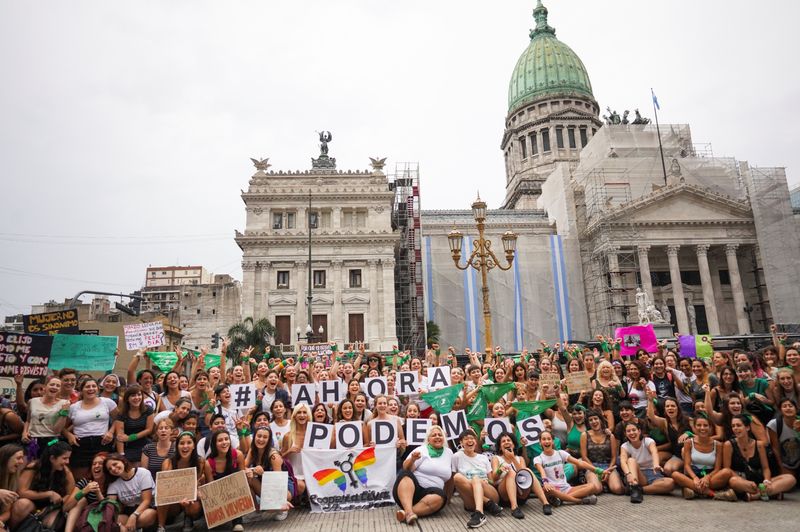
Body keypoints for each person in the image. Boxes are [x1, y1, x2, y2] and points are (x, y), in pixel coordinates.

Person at [722, 414, 796, 500]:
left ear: (747, 428)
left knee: (790, 478)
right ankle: (770, 493)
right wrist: (745, 481)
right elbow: (727, 470)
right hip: (743, 481)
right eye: (733, 426)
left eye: (738, 425)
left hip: (760, 480)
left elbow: (765, 468)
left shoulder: (759, 444)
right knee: (733, 481)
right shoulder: (728, 445)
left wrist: (767, 481)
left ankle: (756, 495)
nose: (735, 428)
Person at [393, 425, 452, 526]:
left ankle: (407, 513)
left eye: (440, 435)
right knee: (405, 474)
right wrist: (412, 459)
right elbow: (406, 468)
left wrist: (449, 498)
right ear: (428, 439)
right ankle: (408, 510)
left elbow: (451, 478)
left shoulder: (449, 453)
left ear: (443, 438)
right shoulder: (422, 450)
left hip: (431, 494)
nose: (437, 437)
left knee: (441, 497)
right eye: (434, 435)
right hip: (412, 491)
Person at [669, 414, 736, 500]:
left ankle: (694, 490)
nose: (702, 428)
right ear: (694, 428)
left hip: (710, 477)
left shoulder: (718, 444)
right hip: (693, 475)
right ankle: (712, 493)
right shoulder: (688, 443)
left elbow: (717, 468)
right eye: (699, 425)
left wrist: (707, 477)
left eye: (705, 425)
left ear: (710, 428)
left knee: (726, 472)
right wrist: (695, 478)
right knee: (675, 474)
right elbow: (687, 465)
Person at [64, 378, 118, 480]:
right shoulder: (73, 407)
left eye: (94, 386)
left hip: (102, 443)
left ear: (98, 389)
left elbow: (119, 419)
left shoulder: (107, 402)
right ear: (81, 390)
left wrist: (111, 432)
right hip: (80, 444)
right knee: (81, 478)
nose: (91, 389)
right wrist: (69, 435)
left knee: (104, 476)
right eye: (87, 386)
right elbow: (62, 427)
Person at [16, 440, 77, 530]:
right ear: (52, 458)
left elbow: (70, 493)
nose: (67, 462)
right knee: (22, 504)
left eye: (68, 458)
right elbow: (21, 492)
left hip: (53, 507)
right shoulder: (33, 468)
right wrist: (49, 494)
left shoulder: (66, 471)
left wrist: (56, 505)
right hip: (33, 505)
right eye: (64, 458)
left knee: (51, 523)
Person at [533, 431, 599, 508]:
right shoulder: (538, 459)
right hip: (552, 489)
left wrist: (598, 470)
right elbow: (542, 472)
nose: (547, 441)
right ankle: (578, 501)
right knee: (546, 490)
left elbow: (579, 463)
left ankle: (561, 499)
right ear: (540, 443)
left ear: (553, 441)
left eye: (549, 439)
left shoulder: (561, 453)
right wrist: (545, 482)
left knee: (592, 486)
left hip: (566, 488)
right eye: (544, 439)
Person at [451, 429, 502, 527]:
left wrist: (484, 481)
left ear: (476, 441)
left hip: (489, 492)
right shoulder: (456, 457)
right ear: (461, 443)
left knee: (475, 479)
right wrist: (448, 499)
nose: (470, 441)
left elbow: (492, 481)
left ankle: (479, 514)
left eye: (472, 438)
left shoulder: (483, 458)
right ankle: (487, 502)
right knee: (457, 477)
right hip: (471, 501)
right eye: (466, 439)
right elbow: (455, 482)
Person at [157, 431, 206, 532]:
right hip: (173, 499)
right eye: (182, 443)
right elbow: (165, 486)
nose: (185, 446)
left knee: (194, 506)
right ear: (177, 446)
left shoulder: (200, 462)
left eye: (189, 443)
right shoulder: (168, 462)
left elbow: (200, 484)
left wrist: (196, 492)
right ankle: (161, 526)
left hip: (190, 497)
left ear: (194, 446)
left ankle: (188, 519)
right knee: (162, 497)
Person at [245, 426, 292, 521]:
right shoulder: (252, 449)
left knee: (271, 506)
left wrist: (263, 474)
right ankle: (255, 511)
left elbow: (278, 482)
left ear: (269, 440)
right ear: (254, 437)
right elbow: (243, 467)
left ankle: (282, 508)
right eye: (259, 436)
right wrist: (250, 470)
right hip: (264, 486)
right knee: (247, 477)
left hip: (283, 489)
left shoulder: (274, 456)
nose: (261, 439)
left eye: (265, 437)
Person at [202, 430, 247, 532]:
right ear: (214, 444)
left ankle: (237, 521)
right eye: (220, 440)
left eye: (226, 439)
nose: (224, 442)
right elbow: (211, 487)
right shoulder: (209, 463)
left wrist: (248, 473)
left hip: (236, 492)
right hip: (219, 495)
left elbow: (243, 478)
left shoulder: (238, 455)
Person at [619, 421, 675, 502]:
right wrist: (628, 474)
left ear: (639, 431)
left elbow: (654, 452)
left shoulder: (648, 441)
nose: (631, 433)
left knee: (670, 483)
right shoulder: (625, 446)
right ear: (625, 434)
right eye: (628, 431)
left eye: (634, 430)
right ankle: (635, 486)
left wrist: (656, 464)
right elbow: (623, 461)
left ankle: (639, 490)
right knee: (631, 460)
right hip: (638, 475)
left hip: (652, 472)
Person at [105, 453, 158, 531]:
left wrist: (134, 516)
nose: (113, 468)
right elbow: (111, 506)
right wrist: (118, 524)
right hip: (128, 512)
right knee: (115, 521)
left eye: (115, 464)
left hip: (145, 509)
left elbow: (147, 501)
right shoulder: (113, 484)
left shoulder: (142, 473)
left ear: (123, 461)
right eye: (109, 469)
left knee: (149, 514)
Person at [21, 376, 70, 457]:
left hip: (52, 441)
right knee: (30, 466)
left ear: (60, 390)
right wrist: (24, 433)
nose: (54, 387)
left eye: (58, 386)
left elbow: (57, 430)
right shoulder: (32, 401)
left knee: (47, 466)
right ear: (45, 387)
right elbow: (28, 420)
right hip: (33, 440)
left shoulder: (64, 403)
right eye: (52, 384)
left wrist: (64, 412)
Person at [580, 410, 624, 495]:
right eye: (590, 420)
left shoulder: (610, 436)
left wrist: (608, 470)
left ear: (600, 420)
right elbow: (584, 457)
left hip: (608, 466)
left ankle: (609, 482)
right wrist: (596, 470)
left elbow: (614, 456)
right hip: (592, 466)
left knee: (618, 489)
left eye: (595, 419)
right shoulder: (584, 435)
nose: (594, 422)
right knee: (597, 489)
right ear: (588, 423)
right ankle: (599, 483)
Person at [64, 452, 108, 532]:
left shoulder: (112, 485)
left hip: (103, 518)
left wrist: (98, 493)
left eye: (100, 463)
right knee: (81, 500)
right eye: (94, 464)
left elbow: (110, 510)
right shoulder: (84, 482)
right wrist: (84, 491)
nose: (96, 466)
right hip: (83, 516)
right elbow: (66, 507)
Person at [114, 384, 154, 465]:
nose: (137, 398)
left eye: (139, 395)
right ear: (127, 398)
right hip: (128, 448)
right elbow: (120, 437)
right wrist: (122, 456)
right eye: (133, 395)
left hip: (145, 445)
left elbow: (149, 429)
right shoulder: (121, 414)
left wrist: (131, 437)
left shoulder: (148, 410)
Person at [280, 403, 310, 500]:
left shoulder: (315, 434)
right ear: (294, 416)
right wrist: (289, 451)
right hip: (295, 475)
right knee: (301, 486)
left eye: (304, 412)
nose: (302, 415)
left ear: (308, 415)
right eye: (299, 413)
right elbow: (280, 459)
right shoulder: (288, 436)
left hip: (310, 473)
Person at [766, 398, 800, 477]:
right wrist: (781, 467)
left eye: (790, 406)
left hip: (798, 461)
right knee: (790, 480)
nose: (788, 408)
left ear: (796, 409)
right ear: (780, 410)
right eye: (784, 406)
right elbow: (775, 447)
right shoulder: (774, 424)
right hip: (784, 462)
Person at [0, 444, 24, 531]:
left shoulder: (12, 479)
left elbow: (7, 511)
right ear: (6, 459)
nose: (22, 462)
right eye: (18, 458)